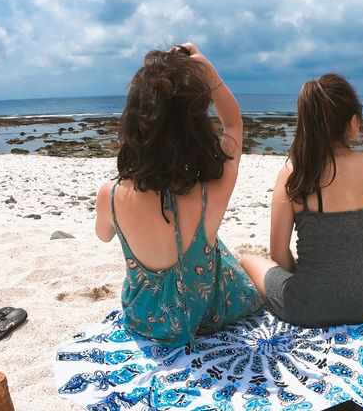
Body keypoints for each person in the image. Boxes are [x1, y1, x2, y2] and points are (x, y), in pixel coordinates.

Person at [95, 43, 261, 347]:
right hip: (207, 317)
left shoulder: (111, 195)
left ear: (134, 123)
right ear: (196, 128)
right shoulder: (211, 192)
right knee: (231, 255)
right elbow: (234, 123)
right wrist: (209, 73)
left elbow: (104, 235)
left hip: (144, 320)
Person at [239, 74, 363, 328]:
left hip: (303, 309)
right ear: (353, 122)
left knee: (247, 259)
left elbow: (279, 253)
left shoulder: (294, 173)